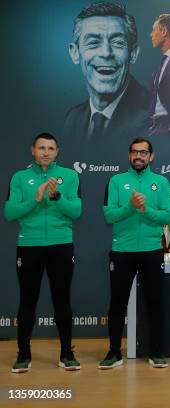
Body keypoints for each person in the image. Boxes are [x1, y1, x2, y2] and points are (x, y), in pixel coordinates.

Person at [4, 133, 82, 373]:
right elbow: (9, 212)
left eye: (50, 148)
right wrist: (36, 199)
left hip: (61, 245)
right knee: (28, 301)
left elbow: (76, 211)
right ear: (33, 150)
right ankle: (23, 355)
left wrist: (56, 197)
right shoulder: (20, 177)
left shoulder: (69, 176)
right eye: (41, 148)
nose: (45, 152)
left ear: (57, 151)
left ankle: (67, 353)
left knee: (62, 300)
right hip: (30, 246)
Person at [98, 138, 170, 369]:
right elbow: (109, 216)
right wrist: (130, 207)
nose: (139, 156)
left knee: (155, 302)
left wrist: (145, 209)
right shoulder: (116, 181)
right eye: (135, 152)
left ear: (151, 156)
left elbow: (166, 217)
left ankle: (156, 352)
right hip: (122, 251)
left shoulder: (160, 182)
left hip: (151, 251)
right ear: (129, 155)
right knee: (117, 303)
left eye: (144, 152)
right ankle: (113, 352)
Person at [65, 1, 150, 140]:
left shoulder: (156, 118)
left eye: (117, 43)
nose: (106, 53)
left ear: (133, 53)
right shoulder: (72, 119)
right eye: (93, 42)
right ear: (75, 53)